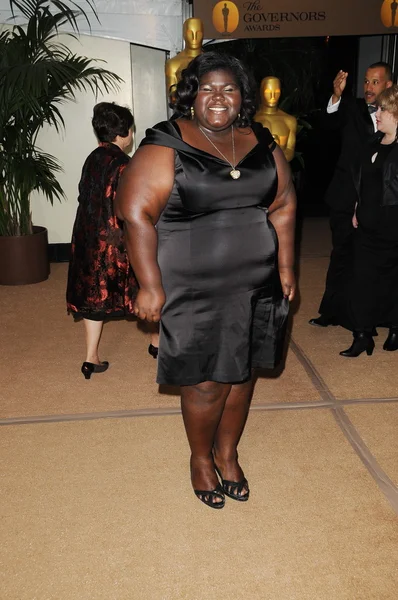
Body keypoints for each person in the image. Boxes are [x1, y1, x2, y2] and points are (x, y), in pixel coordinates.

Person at [115, 52, 296, 509]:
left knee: (243, 375)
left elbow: (284, 204)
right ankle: (200, 458)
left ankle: (227, 452)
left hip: (256, 281)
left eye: (229, 89)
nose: (219, 97)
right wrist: (150, 285)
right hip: (194, 287)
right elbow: (136, 214)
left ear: (243, 97)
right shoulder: (166, 144)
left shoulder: (259, 141)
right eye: (208, 88)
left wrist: (287, 267)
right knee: (207, 382)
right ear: (191, 94)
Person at [309, 62, 393, 328]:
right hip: (345, 196)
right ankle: (332, 311)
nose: (368, 87)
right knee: (342, 254)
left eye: (375, 82)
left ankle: (378, 316)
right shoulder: (352, 108)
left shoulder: (394, 116)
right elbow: (329, 124)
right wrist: (336, 96)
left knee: (378, 259)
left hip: (380, 201)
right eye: (366, 81)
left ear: (388, 85)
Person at [66, 102, 138, 380]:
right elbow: (129, 207)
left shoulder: (92, 158)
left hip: (87, 237)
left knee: (94, 296)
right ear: (124, 134)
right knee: (145, 286)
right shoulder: (124, 164)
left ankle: (90, 357)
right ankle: (158, 345)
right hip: (115, 241)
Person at [339, 85, 398, 357]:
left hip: (393, 226)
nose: (377, 113)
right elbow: (363, 183)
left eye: (383, 109)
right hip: (366, 224)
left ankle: (395, 327)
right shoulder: (372, 142)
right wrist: (355, 209)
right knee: (361, 280)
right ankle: (362, 335)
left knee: (392, 280)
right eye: (378, 109)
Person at [254, 76, 297, 162]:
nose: (273, 97)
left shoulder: (289, 121)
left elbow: (290, 150)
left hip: (280, 171)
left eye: (276, 92)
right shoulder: (252, 119)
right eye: (268, 92)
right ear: (261, 93)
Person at [165, 18, 204, 106]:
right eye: (190, 33)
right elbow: (172, 98)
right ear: (184, 35)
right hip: (185, 111)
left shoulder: (212, 62)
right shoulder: (173, 63)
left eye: (199, 33)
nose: (194, 38)